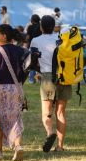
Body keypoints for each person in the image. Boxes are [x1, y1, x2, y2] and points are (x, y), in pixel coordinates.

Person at [0, 24, 26, 161]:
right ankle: (18, 146)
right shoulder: (20, 51)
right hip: (15, 88)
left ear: (4, 36)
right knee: (15, 119)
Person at [30, 15, 70, 153]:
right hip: (63, 77)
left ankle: (49, 133)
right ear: (54, 27)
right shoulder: (61, 39)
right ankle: (60, 146)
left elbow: (33, 60)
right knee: (60, 113)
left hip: (46, 77)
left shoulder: (35, 40)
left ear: (41, 26)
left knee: (46, 113)